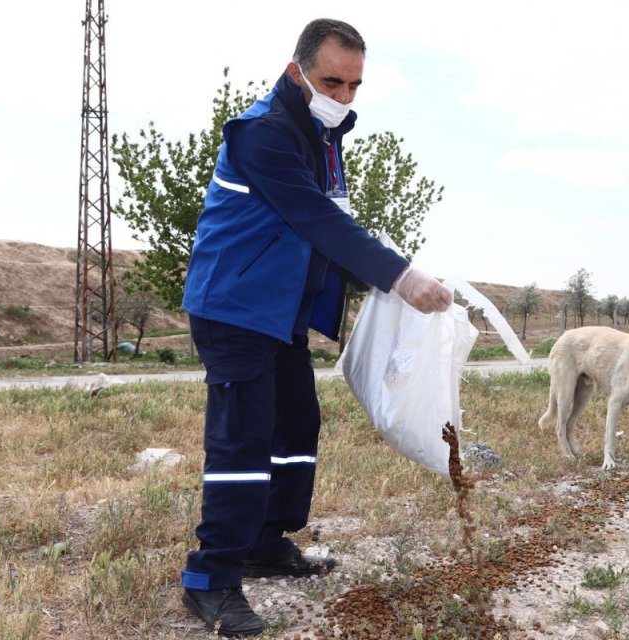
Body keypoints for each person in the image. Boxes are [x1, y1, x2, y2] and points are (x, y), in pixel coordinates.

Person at [178, 18, 452, 637]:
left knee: (297, 422)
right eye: (334, 81)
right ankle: (211, 577)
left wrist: (392, 282)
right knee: (242, 441)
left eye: (356, 84)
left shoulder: (322, 136)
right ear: (297, 70)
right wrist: (400, 278)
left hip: (279, 313)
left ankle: (265, 542)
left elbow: (335, 232)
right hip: (234, 308)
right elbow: (316, 221)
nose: (346, 96)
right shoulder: (265, 134)